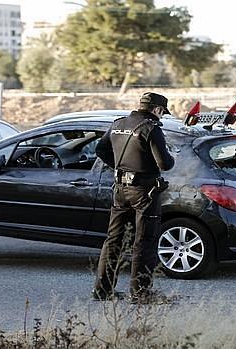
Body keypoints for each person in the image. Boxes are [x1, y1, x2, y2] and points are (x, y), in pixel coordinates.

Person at [92, 92, 175, 303]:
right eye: (162, 112)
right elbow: (165, 164)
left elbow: (100, 149)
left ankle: (103, 290)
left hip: (120, 189)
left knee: (113, 240)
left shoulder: (118, 124)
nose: (161, 116)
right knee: (144, 242)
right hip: (144, 191)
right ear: (156, 109)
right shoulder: (151, 129)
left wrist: (120, 168)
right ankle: (140, 294)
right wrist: (171, 155)